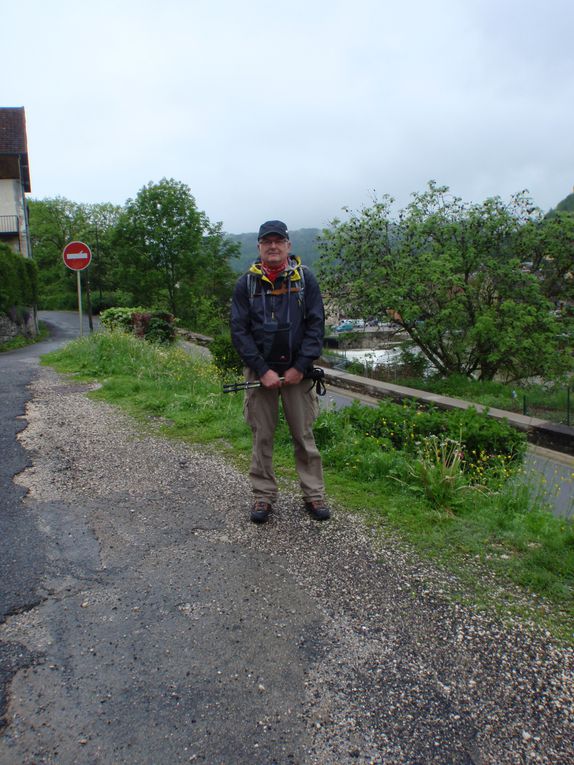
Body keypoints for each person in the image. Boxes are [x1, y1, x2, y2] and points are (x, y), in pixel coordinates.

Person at [230, 220, 330, 524]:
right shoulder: (246, 283)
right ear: (259, 246)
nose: (273, 246)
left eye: (279, 241)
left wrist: (300, 367)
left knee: (303, 435)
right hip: (261, 375)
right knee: (263, 435)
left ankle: (313, 495)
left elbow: (316, 325)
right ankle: (263, 496)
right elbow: (239, 331)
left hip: (297, 373)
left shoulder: (305, 279)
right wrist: (261, 370)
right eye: (267, 241)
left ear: (288, 245)